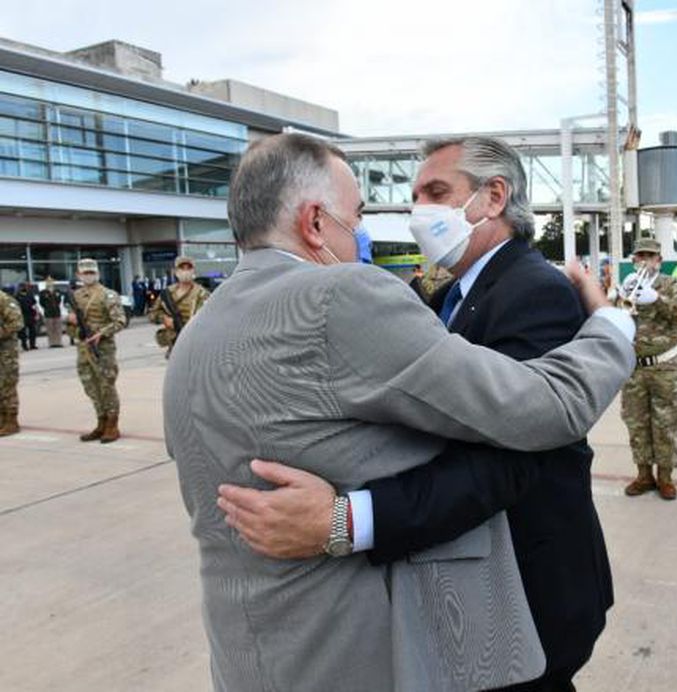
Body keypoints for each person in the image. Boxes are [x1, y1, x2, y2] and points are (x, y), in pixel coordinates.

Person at [164, 133, 635, 692]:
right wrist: (612, 325)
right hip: (354, 652)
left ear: (495, 196)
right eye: (357, 215)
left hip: (252, 658)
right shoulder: (343, 297)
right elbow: (545, 406)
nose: (373, 227)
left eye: (435, 192)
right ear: (315, 222)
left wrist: (348, 516)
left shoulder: (195, 337)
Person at [614, 237, 677, 500]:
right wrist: (619, 297)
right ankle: (643, 475)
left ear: (659, 259)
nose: (645, 260)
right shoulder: (629, 285)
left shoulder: (672, 284)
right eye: (640, 256)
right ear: (634, 259)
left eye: (650, 255)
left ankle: (666, 477)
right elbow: (617, 320)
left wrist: (656, 298)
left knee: (665, 422)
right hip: (634, 368)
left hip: (664, 367)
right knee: (636, 422)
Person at [67, 258, 126, 444]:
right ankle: (101, 421)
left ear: (97, 274)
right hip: (84, 350)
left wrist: (102, 333)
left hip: (103, 350)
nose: (88, 276)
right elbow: (71, 329)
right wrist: (72, 323)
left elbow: (120, 321)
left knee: (106, 386)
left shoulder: (108, 295)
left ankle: (112, 424)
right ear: (78, 275)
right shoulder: (75, 296)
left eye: (91, 272)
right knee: (90, 387)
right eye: (85, 273)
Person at [149, 256, 209, 358]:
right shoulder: (167, 293)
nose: (185, 271)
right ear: (176, 271)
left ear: (193, 271)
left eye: (188, 268)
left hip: (197, 343)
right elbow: (152, 314)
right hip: (175, 342)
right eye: (182, 268)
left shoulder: (202, 294)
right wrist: (164, 318)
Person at [0, 289, 24, 436]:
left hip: (6, 351)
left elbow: (17, 322)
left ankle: (11, 420)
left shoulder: (4, 299)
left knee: (7, 384)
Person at [38, 277, 64, 348]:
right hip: (48, 313)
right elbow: (41, 303)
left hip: (57, 312)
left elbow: (59, 301)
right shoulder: (43, 292)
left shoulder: (57, 291)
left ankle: (58, 342)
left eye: (51, 282)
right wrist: (47, 307)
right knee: (50, 329)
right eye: (48, 282)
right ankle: (52, 343)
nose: (50, 283)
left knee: (58, 328)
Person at [15, 283, 37, 351]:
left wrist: (35, 313)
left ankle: (32, 345)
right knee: (23, 332)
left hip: (30, 315)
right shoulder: (17, 296)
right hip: (22, 315)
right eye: (22, 287)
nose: (24, 288)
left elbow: (34, 303)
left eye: (25, 287)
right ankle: (24, 345)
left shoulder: (29, 294)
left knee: (33, 331)